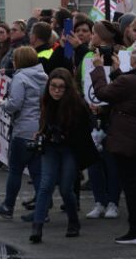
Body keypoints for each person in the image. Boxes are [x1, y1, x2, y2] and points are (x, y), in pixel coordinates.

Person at [91, 39, 136, 245]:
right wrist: (116, 72)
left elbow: (103, 93)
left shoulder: (130, 81)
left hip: (126, 136)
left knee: (131, 184)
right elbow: (131, 91)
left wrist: (98, 70)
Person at [28, 68, 97, 243]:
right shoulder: (47, 100)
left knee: (66, 188)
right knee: (45, 186)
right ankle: (37, 227)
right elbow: (44, 119)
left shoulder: (77, 104)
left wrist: (67, 133)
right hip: (51, 146)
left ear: (68, 88)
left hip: (71, 148)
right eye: (53, 87)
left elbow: (89, 127)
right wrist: (41, 132)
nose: (57, 91)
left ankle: (73, 221)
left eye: (61, 87)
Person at [0, 46, 46, 219]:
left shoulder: (20, 78)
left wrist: (0, 102)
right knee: (37, 171)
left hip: (23, 129)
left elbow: (14, 105)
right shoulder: (44, 76)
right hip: (39, 127)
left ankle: (8, 205)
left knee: (15, 170)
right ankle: (42, 209)